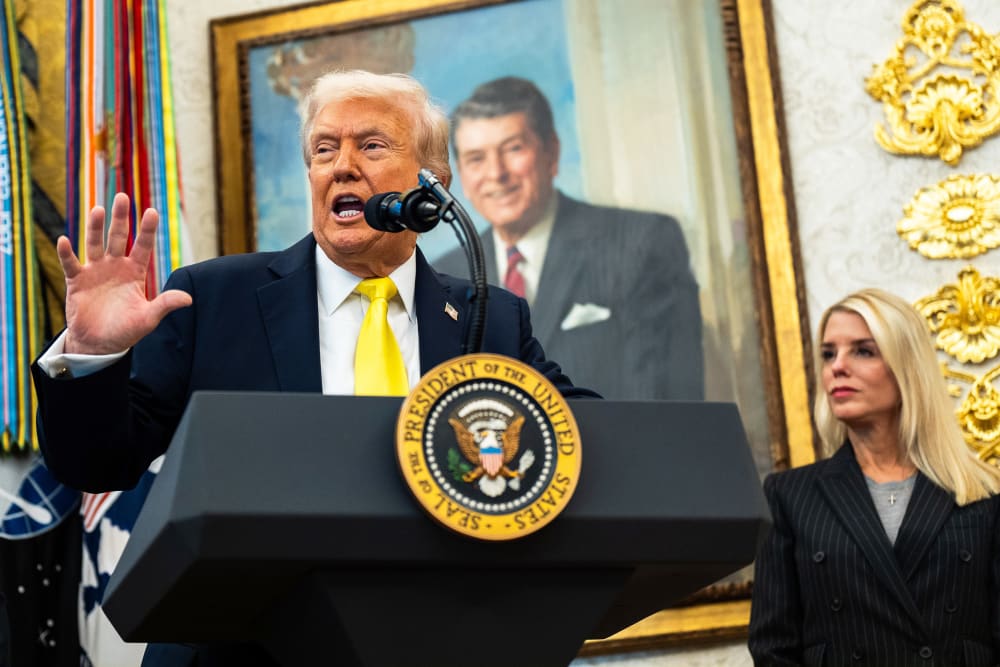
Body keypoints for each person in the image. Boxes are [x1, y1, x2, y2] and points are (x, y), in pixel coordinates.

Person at [31, 70, 596, 667]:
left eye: (371, 146)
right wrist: (91, 354)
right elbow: (95, 463)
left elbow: (587, 438)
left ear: (434, 183)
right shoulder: (215, 298)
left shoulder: (490, 316)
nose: (342, 167)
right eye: (324, 149)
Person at [748, 288, 1000, 666]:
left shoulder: (981, 492)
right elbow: (773, 649)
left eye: (863, 351)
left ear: (907, 367)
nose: (837, 367)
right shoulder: (790, 496)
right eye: (829, 353)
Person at [433, 76, 703, 401]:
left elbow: (666, 405)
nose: (496, 173)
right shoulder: (443, 275)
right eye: (477, 158)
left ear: (552, 153)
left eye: (513, 149)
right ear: (460, 171)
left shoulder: (641, 243)